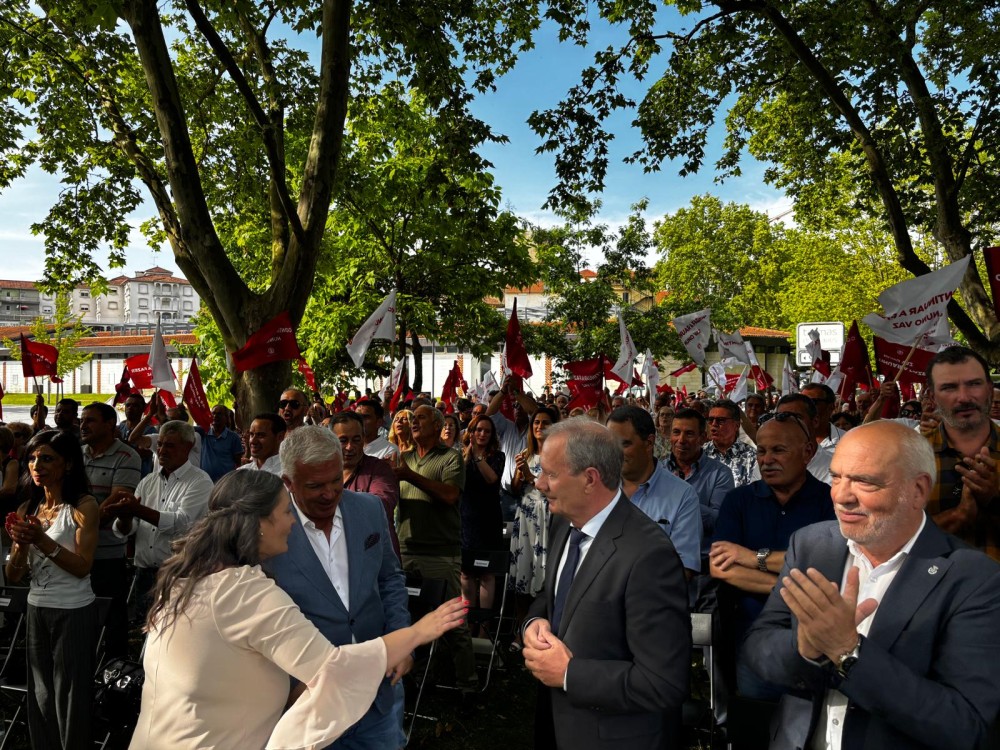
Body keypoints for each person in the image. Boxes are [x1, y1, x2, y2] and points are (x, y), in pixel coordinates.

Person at [130, 470, 466, 750]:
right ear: (260, 523)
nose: (293, 521)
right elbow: (335, 669)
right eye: (286, 511)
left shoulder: (190, 578)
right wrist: (417, 633)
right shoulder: (243, 591)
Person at [743, 421, 1000, 750]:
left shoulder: (974, 579)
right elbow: (758, 647)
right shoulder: (810, 545)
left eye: (864, 481)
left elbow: (964, 725)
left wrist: (848, 653)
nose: (841, 496)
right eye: (836, 477)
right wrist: (805, 649)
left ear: (918, 490)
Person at [522, 418, 690, 750]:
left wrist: (569, 674)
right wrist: (534, 622)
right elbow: (552, 597)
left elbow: (663, 683)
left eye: (550, 474)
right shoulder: (563, 522)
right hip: (557, 726)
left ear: (590, 479)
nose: (539, 484)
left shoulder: (649, 556)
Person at [264, 426, 410, 748]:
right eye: (315, 486)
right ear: (288, 482)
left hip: (378, 689)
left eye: (335, 481)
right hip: (308, 699)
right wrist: (288, 686)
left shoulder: (369, 509)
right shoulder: (266, 530)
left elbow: (390, 579)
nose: (329, 494)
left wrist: (400, 637)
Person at [709, 412, 835, 700]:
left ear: (807, 452)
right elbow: (721, 567)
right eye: (762, 451)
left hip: (813, 641)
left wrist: (753, 558)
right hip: (749, 637)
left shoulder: (829, 501)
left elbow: (824, 566)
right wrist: (795, 587)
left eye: (778, 450)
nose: (766, 460)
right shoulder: (738, 501)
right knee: (754, 717)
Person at [5, 430, 99, 750]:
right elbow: (13, 574)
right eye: (32, 458)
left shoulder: (83, 506)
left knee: (70, 697)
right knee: (41, 694)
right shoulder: (27, 508)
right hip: (37, 607)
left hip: (72, 609)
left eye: (46, 458)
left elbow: (83, 566)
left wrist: (41, 540)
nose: (37, 465)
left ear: (68, 464)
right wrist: (20, 545)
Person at [393, 405, 479, 699]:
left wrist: (408, 476)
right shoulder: (404, 458)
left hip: (440, 553)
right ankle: (418, 680)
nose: (414, 422)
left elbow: (450, 495)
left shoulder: (450, 457)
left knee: (452, 622)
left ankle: (468, 686)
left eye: (421, 418)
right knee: (411, 620)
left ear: (438, 425)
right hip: (406, 548)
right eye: (412, 418)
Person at [105, 420, 213, 620]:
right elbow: (129, 528)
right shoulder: (148, 482)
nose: (162, 450)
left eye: (170, 445)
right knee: (144, 629)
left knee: (177, 630)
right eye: (160, 444)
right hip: (144, 574)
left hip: (179, 575)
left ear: (188, 447)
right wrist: (125, 517)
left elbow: (183, 523)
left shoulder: (200, 481)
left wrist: (138, 509)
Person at [920, 346, 1000, 559]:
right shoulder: (907, 457)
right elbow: (891, 541)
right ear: (932, 396)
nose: (964, 397)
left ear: (990, 389)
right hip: (934, 579)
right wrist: (958, 515)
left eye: (974, 384)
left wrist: (994, 500)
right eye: (949, 387)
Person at [606, 406, 702, 577]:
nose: (614, 452)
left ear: (649, 443)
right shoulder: (597, 488)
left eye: (624, 444)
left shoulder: (682, 496)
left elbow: (683, 568)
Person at [81, 402, 141, 660]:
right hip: (74, 551)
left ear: (109, 424)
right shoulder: (77, 454)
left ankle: (114, 671)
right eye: (82, 420)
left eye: (90, 420)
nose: (83, 425)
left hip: (107, 553)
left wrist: (81, 527)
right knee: (81, 618)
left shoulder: (127, 456)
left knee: (112, 618)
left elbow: (116, 501)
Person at [509, 405, 559, 643]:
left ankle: (545, 632)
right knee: (523, 574)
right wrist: (520, 474)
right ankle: (522, 632)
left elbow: (556, 490)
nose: (540, 426)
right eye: (536, 422)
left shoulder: (560, 456)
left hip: (547, 518)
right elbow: (514, 489)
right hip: (525, 519)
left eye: (545, 422)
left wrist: (530, 476)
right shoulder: (526, 453)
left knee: (544, 574)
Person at [332, 412, 402, 560]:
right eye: (343, 440)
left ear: (363, 439)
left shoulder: (379, 469)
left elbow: (381, 505)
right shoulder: (323, 472)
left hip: (375, 560)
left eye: (356, 440)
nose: (350, 447)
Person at [459, 414, 506, 625]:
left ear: (492, 434)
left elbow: (492, 478)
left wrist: (478, 457)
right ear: (471, 432)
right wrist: (468, 454)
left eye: (487, 431)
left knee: (487, 573)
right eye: (478, 430)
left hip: (489, 520)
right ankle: (467, 624)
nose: (482, 434)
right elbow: (458, 480)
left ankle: (484, 627)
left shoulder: (498, 456)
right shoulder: (461, 455)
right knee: (466, 573)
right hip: (466, 520)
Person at [774, 393, 834, 484]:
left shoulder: (836, 466)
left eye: (797, 417)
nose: (789, 423)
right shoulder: (767, 462)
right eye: (782, 417)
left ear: (815, 421)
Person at [703, 399, 760, 487]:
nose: (714, 424)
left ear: (736, 425)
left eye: (720, 420)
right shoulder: (700, 454)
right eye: (710, 420)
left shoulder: (752, 457)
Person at [196, 404, 245, 481]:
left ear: (226, 417)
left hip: (226, 482)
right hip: (205, 481)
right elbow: (186, 428)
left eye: (219, 414)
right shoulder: (204, 433)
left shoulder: (233, 437)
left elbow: (238, 462)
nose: (215, 416)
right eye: (213, 413)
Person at [119, 393, 156, 477]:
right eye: (128, 405)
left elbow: (141, 455)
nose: (130, 408)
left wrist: (120, 441)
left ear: (143, 408)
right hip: (120, 476)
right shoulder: (119, 428)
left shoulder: (150, 431)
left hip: (139, 477)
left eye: (135, 405)